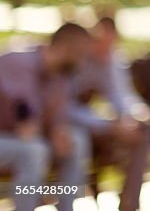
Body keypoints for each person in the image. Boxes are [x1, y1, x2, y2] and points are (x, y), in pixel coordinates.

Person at [68, 16, 150, 211]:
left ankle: (129, 202)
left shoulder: (111, 57)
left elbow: (121, 95)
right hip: (72, 125)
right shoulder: (76, 60)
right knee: (129, 140)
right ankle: (128, 199)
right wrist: (110, 125)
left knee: (146, 127)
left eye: (110, 44)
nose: (105, 50)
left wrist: (139, 114)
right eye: (100, 43)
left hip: (100, 124)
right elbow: (66, 109)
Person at [0, 22, 93, 211]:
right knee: (34, 150)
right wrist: (52, 132)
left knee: (77, 140)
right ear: (66, 49)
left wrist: (60, 131)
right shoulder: (18, 63)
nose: (83, 63)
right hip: (6, 136)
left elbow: (58, 118)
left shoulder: (63, 75)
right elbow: (27, 125)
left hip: (22, 137)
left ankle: (67, 207)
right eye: (81, 56)